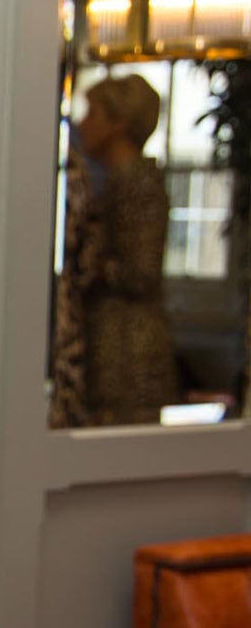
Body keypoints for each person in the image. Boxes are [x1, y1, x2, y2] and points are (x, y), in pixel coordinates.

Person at [77, 74, 178, 425]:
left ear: (118, 123)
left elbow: (141, 272)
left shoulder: (138, 184)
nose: (82, 124)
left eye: (93, 113)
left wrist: (92, 263)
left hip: (127, 358)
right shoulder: (114, 183)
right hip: (110, 349)